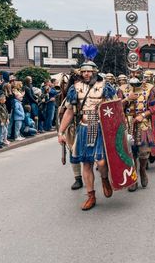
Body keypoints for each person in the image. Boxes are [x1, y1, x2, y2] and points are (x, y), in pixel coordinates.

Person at [58, 57, 117, 210]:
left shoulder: (105, 86)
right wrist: (60, 131)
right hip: (84, 127)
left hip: (100, 126)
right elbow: (69, 112)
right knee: (86, 162)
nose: (85, 74)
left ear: (94, 71)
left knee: (101, 162)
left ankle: (104, 178)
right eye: (83, 71)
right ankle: (91, 195)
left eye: (88, 71)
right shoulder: (75, 88)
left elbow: (114, 107)